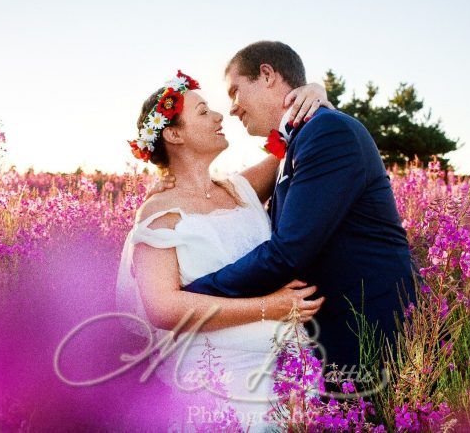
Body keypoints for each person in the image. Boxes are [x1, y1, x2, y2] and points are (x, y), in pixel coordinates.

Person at [177, 41, 418, 393]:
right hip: (327, 334)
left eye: (235, 91)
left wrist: (194, 296)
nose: (231, 109)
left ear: (267, 75)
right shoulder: (301, 140)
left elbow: (289, 251)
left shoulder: (327, 132)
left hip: (364, 332)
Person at [116, 70, 331, 431]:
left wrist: (314, 93)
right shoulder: (160, 212)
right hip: (219, 384)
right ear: (173, 134)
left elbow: (292, 143)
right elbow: (163, 307)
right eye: (202, 112)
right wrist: (270, 308)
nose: (219, 116)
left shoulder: (241, 189)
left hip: (285, 374)